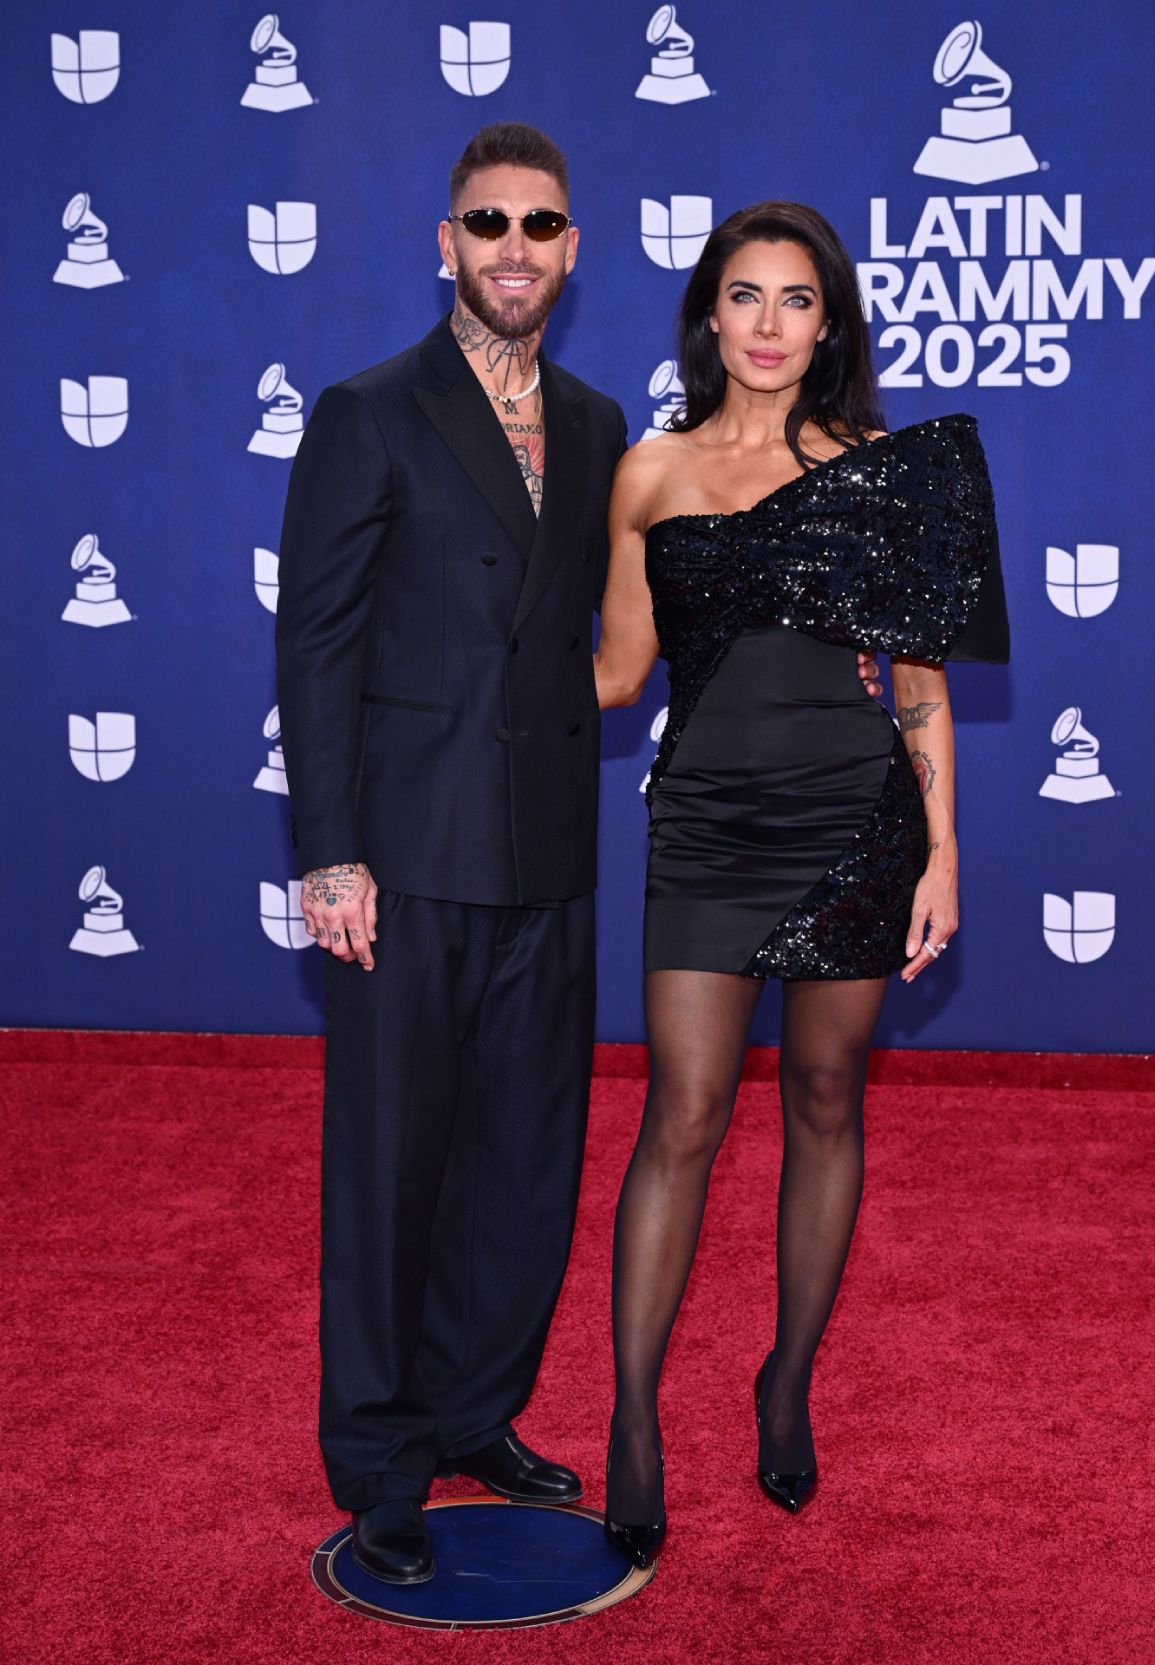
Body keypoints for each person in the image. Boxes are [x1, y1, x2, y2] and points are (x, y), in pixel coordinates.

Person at [592, 201, 1009, 1564]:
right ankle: (636, 1423)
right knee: (685, 1113)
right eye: (746, 296)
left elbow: (924, 689)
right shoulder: (647, 473)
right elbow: (613, 672)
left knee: (827, 1099)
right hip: (707, 823)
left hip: (853, 819)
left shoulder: (882, 467)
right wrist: (447, 659)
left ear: (829, 326)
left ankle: (785, 1378)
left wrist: (942, 851)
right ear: (709, 314)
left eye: (797, 301)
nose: (769, 324)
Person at [274, 122, 628, 1586]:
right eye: (487, 222)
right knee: (391, 1162)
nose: (512, 249)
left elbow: (615, 636)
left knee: (527, 1159)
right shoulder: (370, 411)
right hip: (407, 859)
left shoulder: (604, 426)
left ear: (572, 248)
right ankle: (380, 1454)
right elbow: (318, 643)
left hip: (548, 847)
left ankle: (477, 1410)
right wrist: (329, 853)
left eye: (539, 225)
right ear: (444, 241)